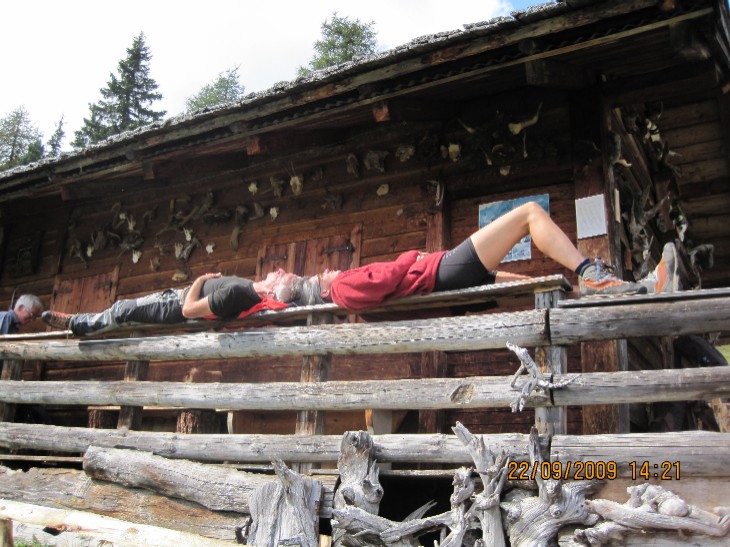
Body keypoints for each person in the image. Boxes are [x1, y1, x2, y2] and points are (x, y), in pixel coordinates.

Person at [277, 201, 679, 311]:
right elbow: (384, 282)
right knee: (529, 214)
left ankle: (620, 291)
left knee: (539, 286)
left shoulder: (342, 290)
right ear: (318, 286)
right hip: (443, 271)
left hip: (442, 279)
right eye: (319, 273)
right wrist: (409, 255)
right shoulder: (343, 288)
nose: (328, 268)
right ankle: (591, 274)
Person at [41, 271, 290, 336]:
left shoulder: (236, 292)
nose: (278, 270)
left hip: (173, 304)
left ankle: (75, 322)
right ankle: (78, 322)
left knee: (122, 310)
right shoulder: (244, 289)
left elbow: (188, 310)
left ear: (273, 289)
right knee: (124, 311)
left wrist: (200, 279)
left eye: (280, 275)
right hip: (174, 298)